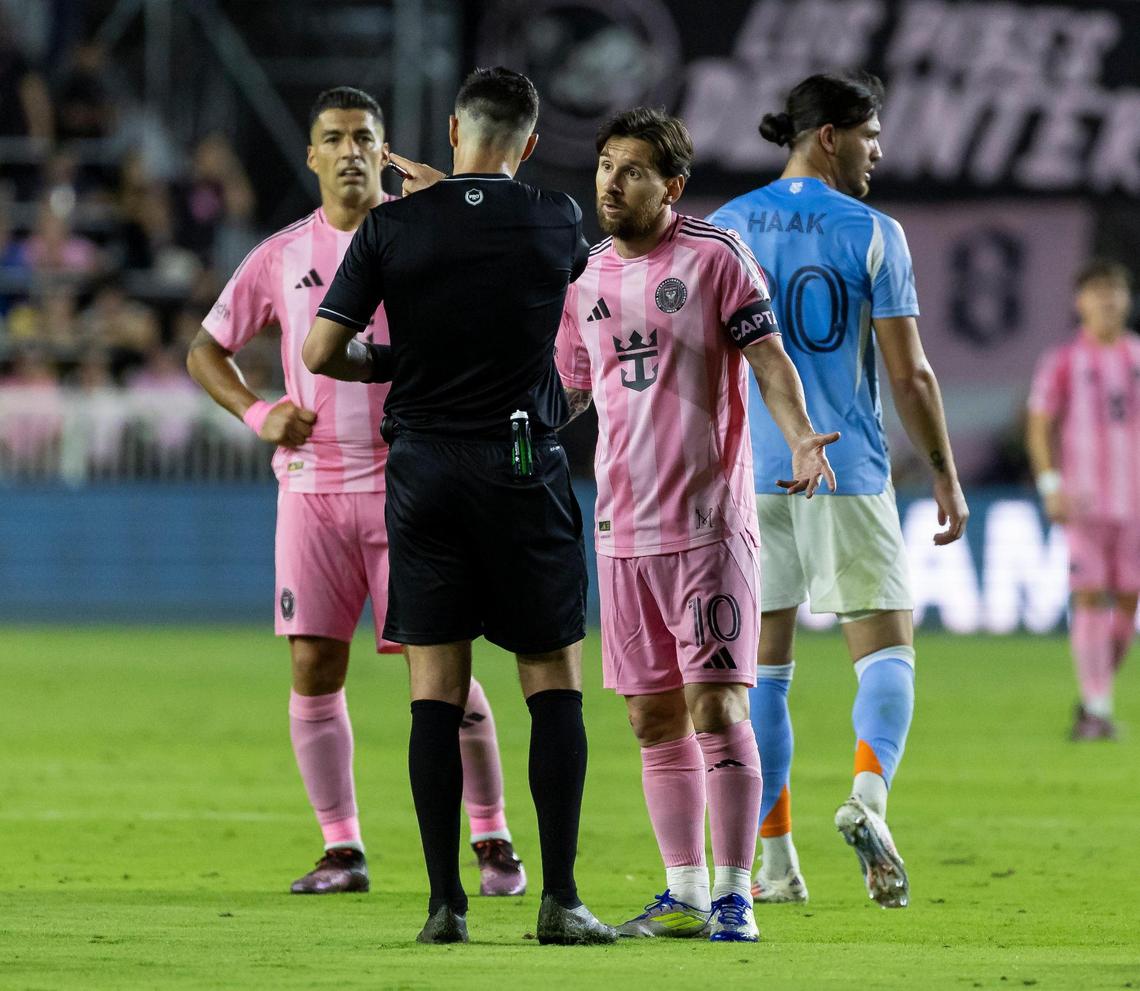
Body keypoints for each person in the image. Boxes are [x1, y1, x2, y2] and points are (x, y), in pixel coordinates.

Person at [302, 67, 615, 946]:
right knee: (552, 682)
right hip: (524, 464)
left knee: (434, 691)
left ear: (450, 130)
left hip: (425, 467)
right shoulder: (556, 220)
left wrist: (401, 365)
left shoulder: (392, 226)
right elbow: (586, 308)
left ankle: (445, 904)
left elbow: (324, 350)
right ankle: (560, 900)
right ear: (529, 140)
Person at [187, 86, 525, 899]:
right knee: (313, 662)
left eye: (363, 136)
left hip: (408, 478)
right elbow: (206, 347)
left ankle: (493, 836)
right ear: (310, 155)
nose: (348, 150)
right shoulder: (279, 254)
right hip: (310, 488)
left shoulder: (423, 237)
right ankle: (343, 849)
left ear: (384, 150)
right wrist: (259, 410)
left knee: (440, 662)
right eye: (332, 137)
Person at [557, 107, 838, 943]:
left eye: (633, 169)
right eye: (606, 165)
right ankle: (681, 891)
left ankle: (735, 892)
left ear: (671, 186)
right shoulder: (588, 279)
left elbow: (768, 358)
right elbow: (570, 390)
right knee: (651, 717)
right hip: (619, 528)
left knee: (715, 706)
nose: (612, 181)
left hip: (709, 526)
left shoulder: (716, 257)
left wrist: (798, 435)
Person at [707, 71, 969, 910]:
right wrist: (943, 471)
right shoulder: (873, 232)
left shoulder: (723, 228)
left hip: (751, 477)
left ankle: (775, 862)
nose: (879, 151)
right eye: (870, 134)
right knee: (887, 652)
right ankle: (867, 796)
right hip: (848, 472)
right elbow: (911, 372)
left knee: (766, 675)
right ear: (829, 136)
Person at [1027, 259, 1140, 741]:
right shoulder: (1065, 360)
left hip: (1135, 501)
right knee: (1091, 593)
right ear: (1081, 302)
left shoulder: (1138, 355)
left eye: (1115, 291)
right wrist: (1051, 485)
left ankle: (1096, 695)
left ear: (1127, 298)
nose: (1108, 300)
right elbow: (1039, 425)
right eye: (1098, 292)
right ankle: (1096, 704)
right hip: (1084, 501)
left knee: (1129, 603)